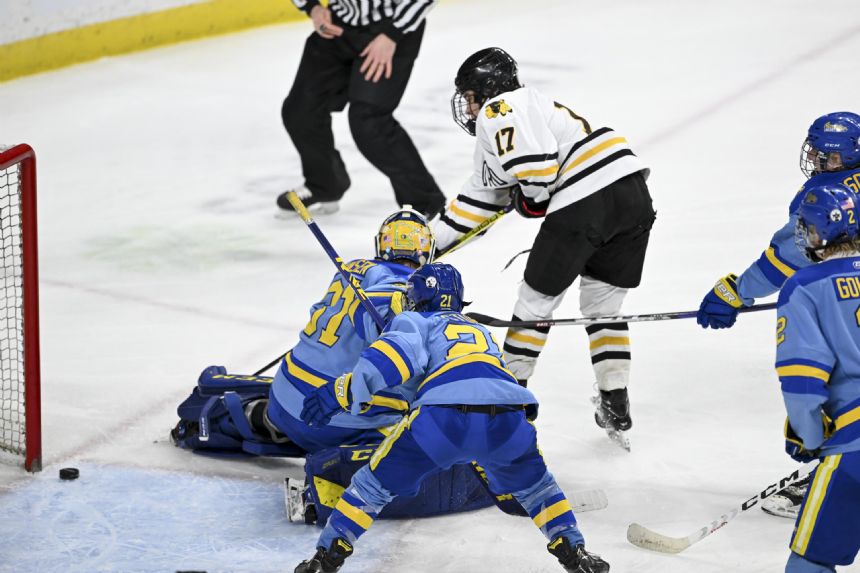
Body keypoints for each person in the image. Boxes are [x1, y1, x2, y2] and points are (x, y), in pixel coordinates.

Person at [295, 262, 610, 573]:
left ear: (418, 298)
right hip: (508, 418)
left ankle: (326, 559)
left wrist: (342, 390)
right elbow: (480, 378)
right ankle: (574, 550)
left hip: (442, 421)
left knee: (371, 487)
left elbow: (390, 361)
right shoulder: (479, 331)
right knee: (539, 488)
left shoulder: (415, 321)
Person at [434, 47, 655, 450]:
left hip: (585, 202)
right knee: (604, 310)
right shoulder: (531, 108)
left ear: (487, 89)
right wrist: (429, 245)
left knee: (534, 305)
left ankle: (506, 405)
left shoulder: (499, 109)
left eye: (469, 95)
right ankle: (615, 398)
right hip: (632, 193)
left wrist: (532, 197)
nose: (468, 107)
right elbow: (482, 198)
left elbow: (537, 172)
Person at [696, 111, 860, 518]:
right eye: (817, 154)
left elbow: (791, 255)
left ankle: (841, 469)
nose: (819, 161)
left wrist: (737, 291)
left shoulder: (827, 195)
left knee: (840, 378)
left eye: (828, 156)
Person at [171, 206, 435, 455]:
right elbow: (382, 321)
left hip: (284, 396)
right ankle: (341, 468)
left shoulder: (354, 268)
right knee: (420, 418)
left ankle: (252, 417)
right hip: (334, 421)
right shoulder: (403, 289)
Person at [280, 0, 446, 220]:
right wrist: (313, 8)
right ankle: (325, 184)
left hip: (392, 28)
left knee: (369, 122)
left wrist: (392, 33)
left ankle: (424, 203)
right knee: (301, 110)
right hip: (339, 23)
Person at [775, 183, 860, 573]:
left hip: (854, 449)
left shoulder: (804, 286)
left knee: (811, 561)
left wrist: (810, 438)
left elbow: (803, 384)